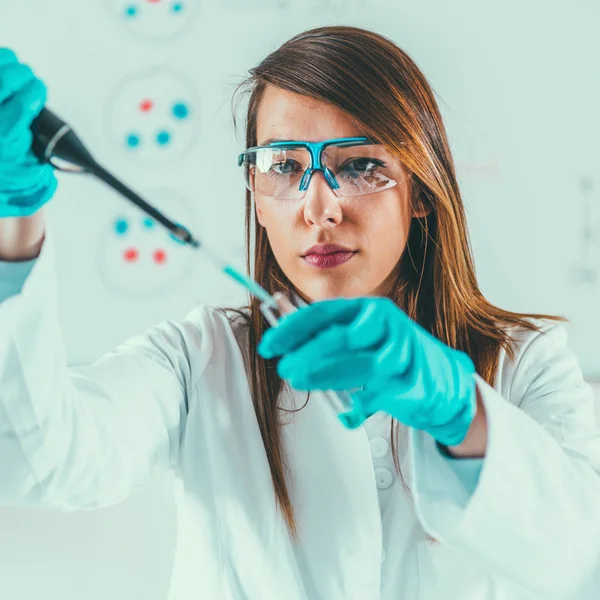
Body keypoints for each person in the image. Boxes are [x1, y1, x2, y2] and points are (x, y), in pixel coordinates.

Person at [1, 26, 600, 600]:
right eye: (285, 166)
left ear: (421, 190)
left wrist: (464, 415)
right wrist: (14, 218)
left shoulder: (525, 361)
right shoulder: (200, 360)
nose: (319, 207)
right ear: (256, 197)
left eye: (360, 165)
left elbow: (580, 563)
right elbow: (40, 462)